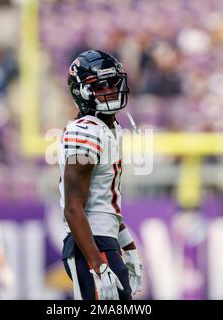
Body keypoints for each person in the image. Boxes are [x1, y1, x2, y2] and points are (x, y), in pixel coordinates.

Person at [59, 50, 143, 300]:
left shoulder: (110, 128)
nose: (109, 90)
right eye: (99, 86)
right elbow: (73, 208)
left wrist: (128, 246)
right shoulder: (84, 132)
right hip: (90, 246)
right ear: (82, 93)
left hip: (104, 242)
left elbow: (104, 204)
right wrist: (97, 264)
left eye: (112, 83)